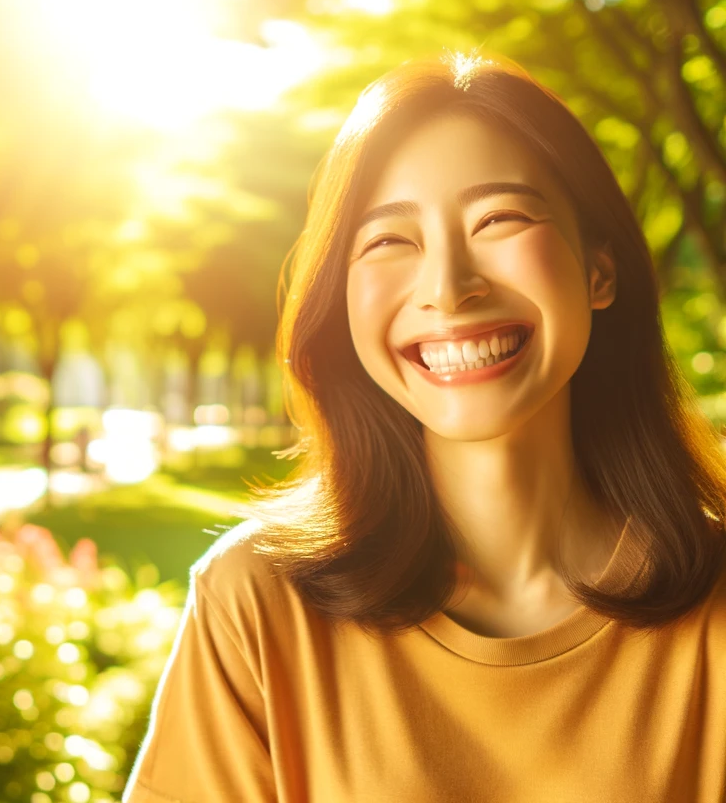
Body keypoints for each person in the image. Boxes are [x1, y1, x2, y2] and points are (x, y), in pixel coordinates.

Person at [121, 53, 726, 802]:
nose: (448, 289)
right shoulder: (256, 605)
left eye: (499, 219)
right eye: (388, 241)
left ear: (600, 271)